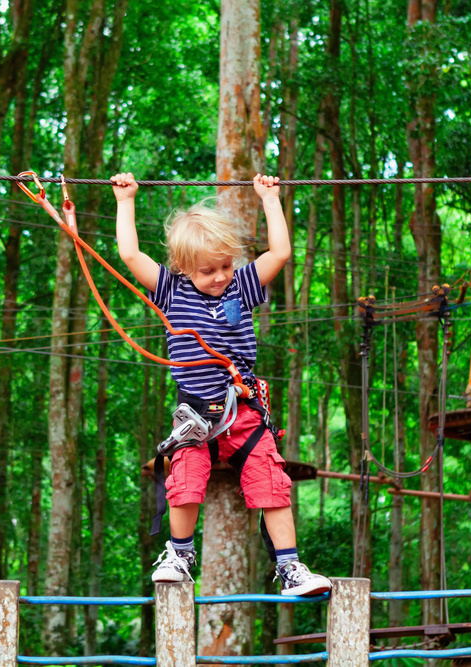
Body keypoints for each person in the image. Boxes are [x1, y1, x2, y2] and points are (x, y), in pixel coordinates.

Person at [111, 172, 331, 596]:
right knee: (185, 478)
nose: (220, 277)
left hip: (243, 412)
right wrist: (126, 201)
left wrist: (270, 198)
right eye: (208, 271)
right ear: (183, 269)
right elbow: (131, 254)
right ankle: (179, 555)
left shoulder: (242, 287)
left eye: (226, 266)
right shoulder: (172, 292)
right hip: (195, 413)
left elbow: (280, 252)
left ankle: (290, 568)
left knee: (271, 481)